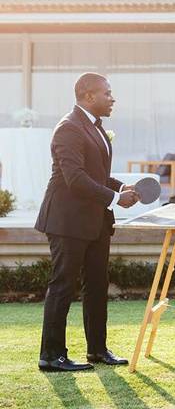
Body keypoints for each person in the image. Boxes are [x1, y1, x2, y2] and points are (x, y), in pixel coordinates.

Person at [35, 73, 140, 372]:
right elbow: (75, 179)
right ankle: (51, 355)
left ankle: (97, 350)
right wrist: (114, 198)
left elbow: (95, 175)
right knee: (63, 285)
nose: (113, 98)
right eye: (108, 93)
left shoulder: (96, 129)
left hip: (95, 221)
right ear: (89, 96)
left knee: (97, 284)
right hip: (67, 221)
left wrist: (121, 189)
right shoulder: (68, 128)